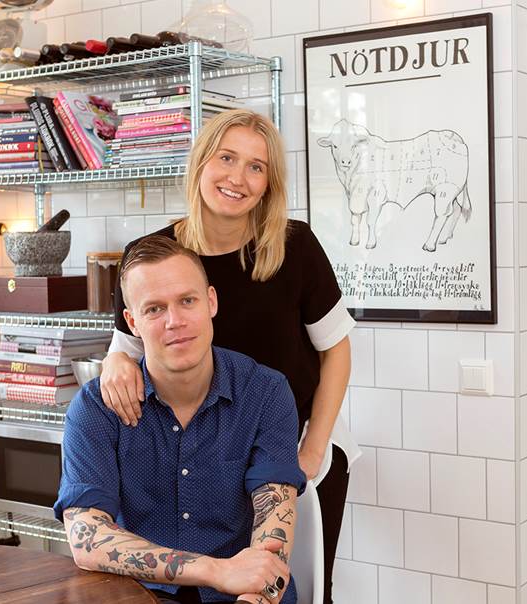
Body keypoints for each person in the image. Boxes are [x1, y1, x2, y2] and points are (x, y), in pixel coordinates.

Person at [100, 108, 359, 604]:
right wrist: (114, 362)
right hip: (201, 457)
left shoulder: (294, 247)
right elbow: (126, 344)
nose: (238, 178)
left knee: (291, 588)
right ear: (201, 164)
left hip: (294, 447)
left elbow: (337, 352)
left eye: (256, 167)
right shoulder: (152, 253)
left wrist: (309, 451)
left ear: (268, 184)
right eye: (227, 158)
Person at [55, 235, 305, 604]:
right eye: (154, 309)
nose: (175, 321)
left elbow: (273, 535)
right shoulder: (95, 409)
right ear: (132, 322)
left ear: (211, 302)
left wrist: (253, 596)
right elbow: (87, 538)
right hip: (136, 596)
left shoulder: (266, 393)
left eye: (187, 301)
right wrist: (214, 570)